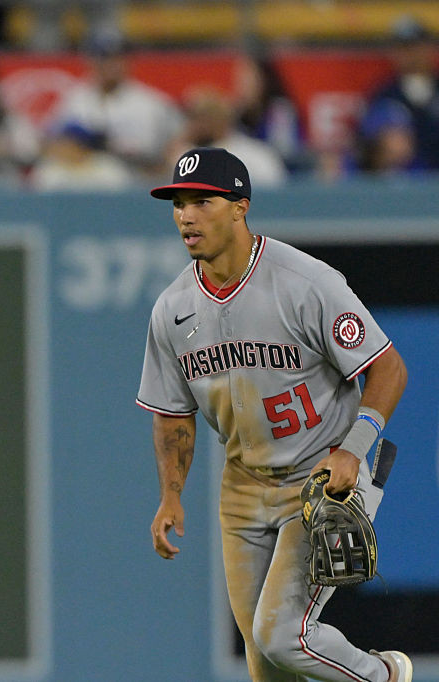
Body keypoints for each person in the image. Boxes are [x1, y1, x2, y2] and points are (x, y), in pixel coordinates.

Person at [136, 147, 412, 682]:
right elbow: (172, 414)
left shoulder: (304, 282)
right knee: (265, 663)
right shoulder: (172, 309)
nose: (186, 216)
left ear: (240, 206)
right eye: (178, 204)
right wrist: (170, 494)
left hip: (322, 476)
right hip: (242, 487)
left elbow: (389, 369)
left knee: (283, 635)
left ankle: (385, 676)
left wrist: (354, 449)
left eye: (202, 202)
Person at [52, 27, 182, 177]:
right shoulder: (74, 100)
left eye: (118, 57)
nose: (112, 64)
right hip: (83, 175)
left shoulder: (152, 103)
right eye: (104, 58)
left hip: (137, 176)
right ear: (90, 61)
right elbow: (52, 142)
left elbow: (175, 144)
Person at [361, 15, 439, 172]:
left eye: (415, 46)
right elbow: (370, 152)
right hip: (403, 180)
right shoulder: (384, 94)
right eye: (403, 47)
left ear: (429, 48)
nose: (410, 54)